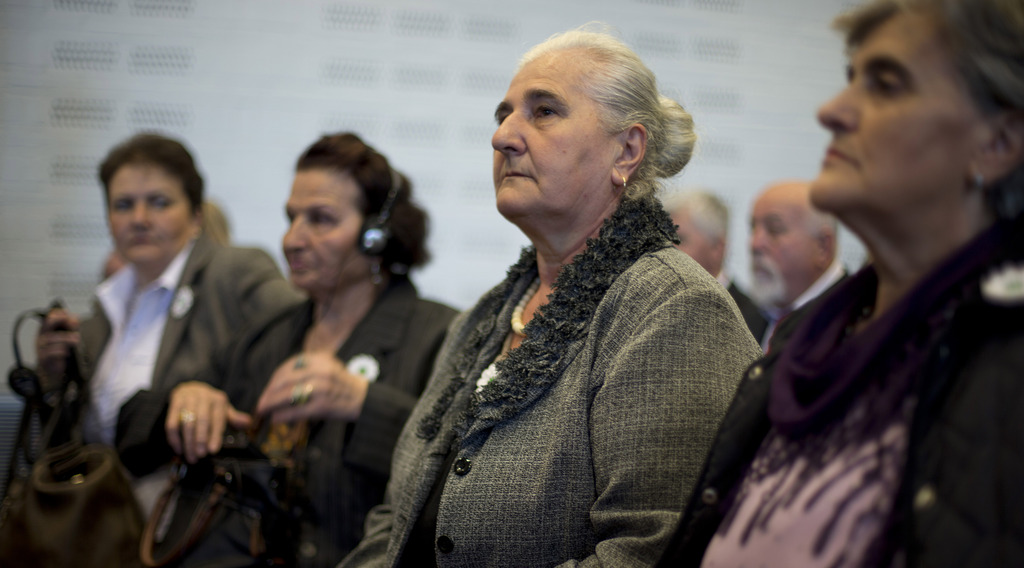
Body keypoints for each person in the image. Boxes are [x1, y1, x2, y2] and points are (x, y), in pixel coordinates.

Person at [340, 26, 760, 568]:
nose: (503, 137)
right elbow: (397, 519)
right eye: (503, 115)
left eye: (543, 112)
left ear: (627, 151)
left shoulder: (673, 307)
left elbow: (654, 553)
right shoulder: (484, 318)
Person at [657, 0, 1024, 566]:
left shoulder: (1005, 362)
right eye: (851, 79)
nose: (831, 109)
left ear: (997, 143)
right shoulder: (809, 339)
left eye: (886, 84)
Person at [117, 132, 458, 567]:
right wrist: (181, 402)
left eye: (320, 219)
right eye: (291, 218)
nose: (292, 239)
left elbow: (467, 475)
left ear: (377, 236)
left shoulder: (440, 334)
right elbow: (129, 429)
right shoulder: (270, 334)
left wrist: (362, 403)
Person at [34, 132, 300, 451]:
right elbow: (70, 440)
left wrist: (219, 401)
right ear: (108, 219)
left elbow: (305, 335)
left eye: (159, 202)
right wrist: (52, 380)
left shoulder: (235, 272)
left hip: (199, 493)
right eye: (123, 205)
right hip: (105, 497)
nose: (139, 219)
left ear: (196, 214)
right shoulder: (104, 309)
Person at [749, 179, 845, 349]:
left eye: (774, 229)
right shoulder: (749, 318)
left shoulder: (854, 322)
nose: (755, 244)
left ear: (823, 246)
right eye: (753, 228)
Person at [664, 189, 765, 339]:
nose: (665, 249)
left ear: (717, 247)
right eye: (662, 239)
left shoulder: (751, 320)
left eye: (679, 239)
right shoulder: (653, 307)